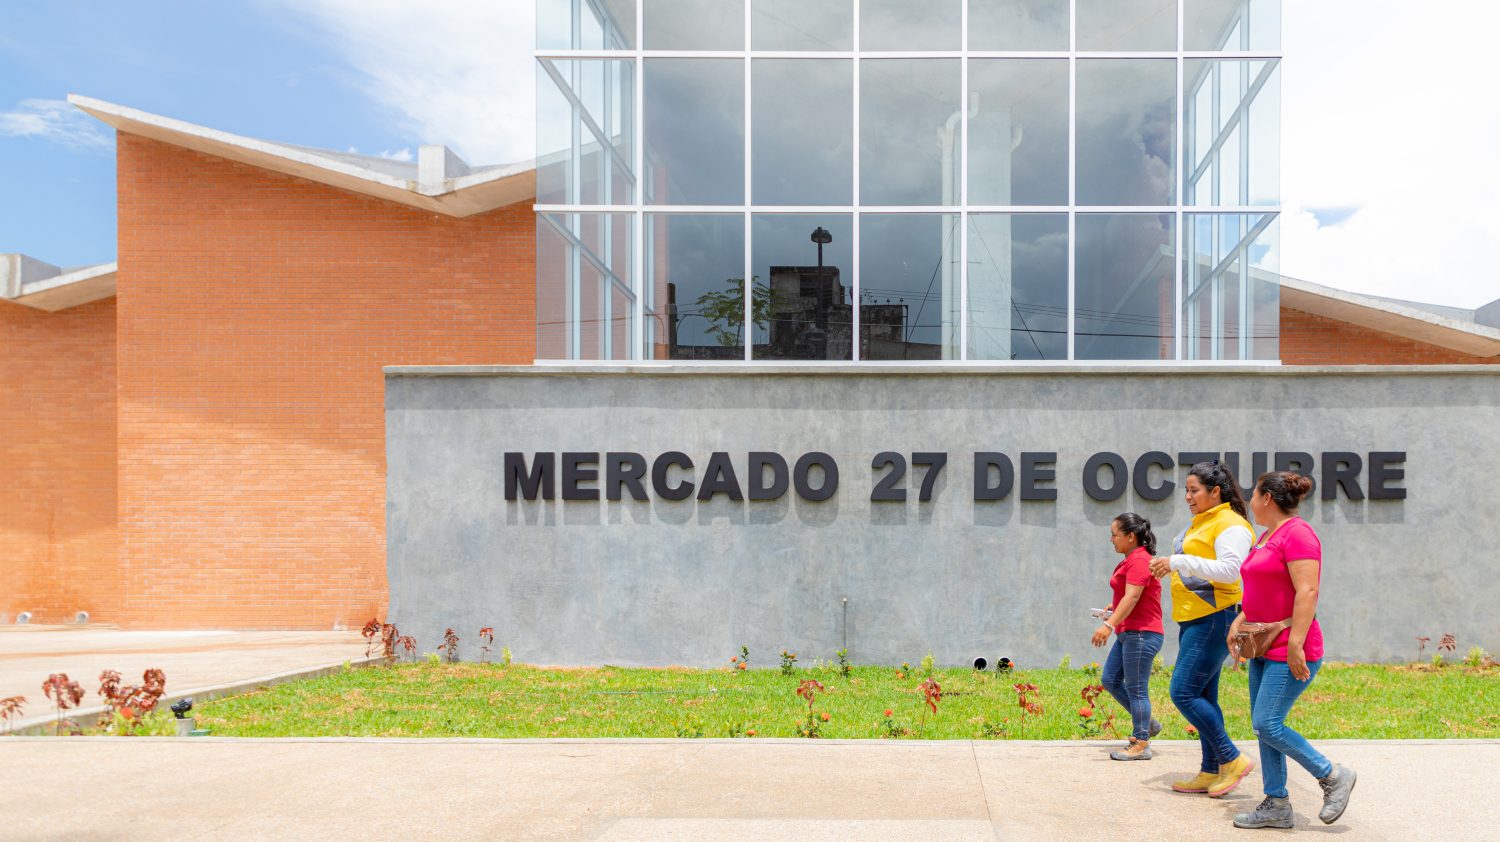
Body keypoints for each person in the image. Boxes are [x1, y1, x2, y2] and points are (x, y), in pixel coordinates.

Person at [1230, 471, 1356, 829]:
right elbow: (1264, 589)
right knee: (1263, 727)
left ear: (1267, 498)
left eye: (1254, 494)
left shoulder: (1298, 534)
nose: (1250, 501)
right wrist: (1239, 621)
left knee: (1267, 723)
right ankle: (1276, 803)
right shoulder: (1267, 536)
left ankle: (1332, 775)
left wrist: (1296, 644)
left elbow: (1307, 592)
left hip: (1290, 648)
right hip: (1263, 647)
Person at [1146, 461, 1256, 797]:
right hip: (1196, 619)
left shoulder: (1230, 525)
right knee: (1204, 695)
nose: (1188, 497)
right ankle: (1211, 769)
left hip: (1215, 618)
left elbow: (1231, 570)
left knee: (1183, 692)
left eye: (1194, 490)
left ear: (1215, 491)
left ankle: (1231, 758)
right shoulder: (1205, 521)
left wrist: (1177, 561)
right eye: (1187, 490)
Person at [1092, 513, 1164, 760]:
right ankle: (1147, 722)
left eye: (1115, 535)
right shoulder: (1131, 560)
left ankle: (1141, 742)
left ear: (1131, 536)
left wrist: (1108, 625)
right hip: (1130, 632)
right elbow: (1130, 596)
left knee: (1137, 689)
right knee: (1110, 679)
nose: (1111, 539)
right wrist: (1114, 609)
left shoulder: (1140, 560)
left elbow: (1132, 597)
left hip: (1142, 634)